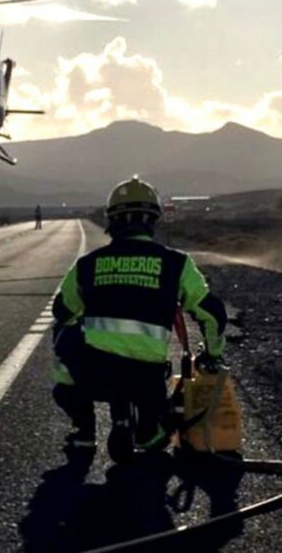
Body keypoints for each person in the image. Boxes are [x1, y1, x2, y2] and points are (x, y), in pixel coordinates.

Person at [51, 176, 227, 458]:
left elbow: (62, 310)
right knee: (152, 439)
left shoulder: (87, 265)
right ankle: (151, 428)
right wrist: (213, 355)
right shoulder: (176, 263)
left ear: (112, 221)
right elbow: (212, 312)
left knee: (64, 335)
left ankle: (83, 431)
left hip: (96, 373)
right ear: (152, 221)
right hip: (148, 376)